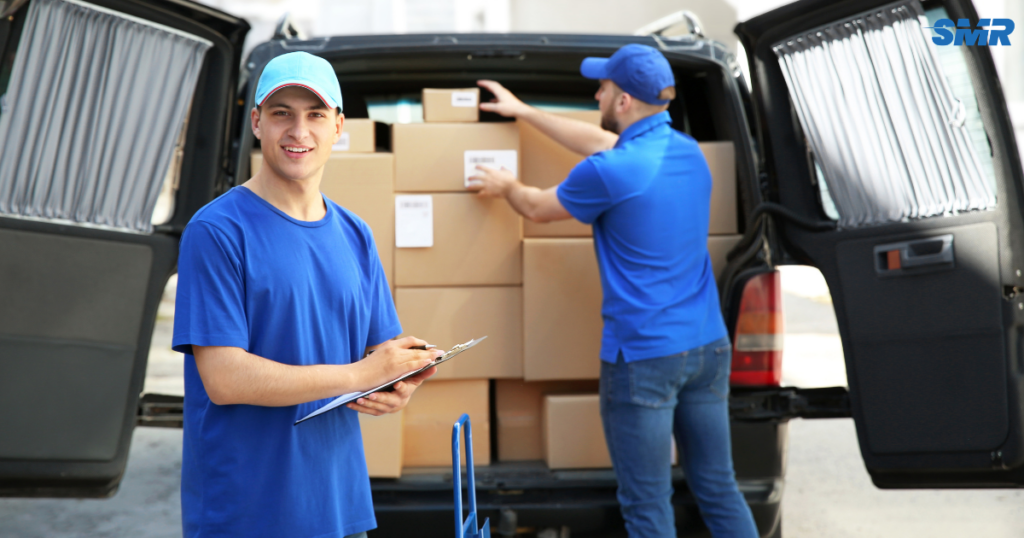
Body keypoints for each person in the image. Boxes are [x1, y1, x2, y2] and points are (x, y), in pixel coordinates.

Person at [468, 44, 760, 538]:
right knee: (717, 486)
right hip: (708, 346)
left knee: (646, 505)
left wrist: (506, 185)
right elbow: (601, 143)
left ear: (623, 102)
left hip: (645, 359)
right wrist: (523, 112)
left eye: (602, 87)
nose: (596, 92)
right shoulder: (687, 153)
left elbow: (538, 207)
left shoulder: (610, 172)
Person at [172, 51, 440, 538]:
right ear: (256, 123)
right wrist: (361, 374)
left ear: (338, 126)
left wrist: (397, 382)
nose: (299, 131)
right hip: (249, 512)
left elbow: (379, 351)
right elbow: (225, 378)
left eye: (315, 115)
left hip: (338, 506)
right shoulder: (216, 231)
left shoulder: (355, 233)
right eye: (282, 114)